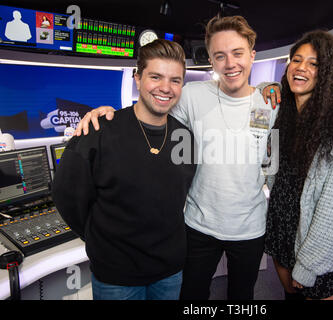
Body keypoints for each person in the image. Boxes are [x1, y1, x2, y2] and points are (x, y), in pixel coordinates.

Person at [74, 15, 279, 300]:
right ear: (211, 60)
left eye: (238, 53)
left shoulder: (272, 103)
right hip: (198, 226)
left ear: (252, 55)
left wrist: (273, 84)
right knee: (192, 296)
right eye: (220, 56)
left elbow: (273, 160)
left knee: (242, 296)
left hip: (250, 227)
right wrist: (105, 115)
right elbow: (151, 106)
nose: (230, 63)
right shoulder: (190, 95)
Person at [52, 39, 197, 300]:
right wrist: (101, 238)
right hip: (116, 276)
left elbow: (178, 194)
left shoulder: (184, 138)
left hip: (169, 272)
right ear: (138, 78)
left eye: (175, 80)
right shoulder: (97, 132)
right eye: (156, 77)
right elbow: (67, 197)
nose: (166, 88)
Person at [261, 30, 333, 300]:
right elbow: (262, 96)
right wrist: (267, 87)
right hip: (282, 229)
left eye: (313, 63)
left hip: (315, 244)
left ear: (327, 73)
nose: (301, 68)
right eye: (296, 60)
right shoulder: (284, 115)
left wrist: (309, 265)